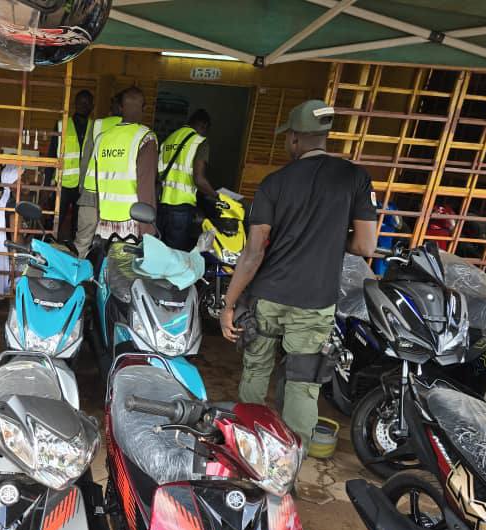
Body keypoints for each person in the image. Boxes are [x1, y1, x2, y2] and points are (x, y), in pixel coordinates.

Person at [220, 99, 377, 449]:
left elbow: (253, 251)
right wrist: (333, 239)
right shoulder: (355, 178)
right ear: (324, 135)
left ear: (293, 138)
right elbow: (366, 245)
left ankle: (249, 447)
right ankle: (289, 462)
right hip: (314, 301)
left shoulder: (274, 183)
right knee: (303, 383)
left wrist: (229, 304)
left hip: (268, 298)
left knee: (256, 370)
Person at [83, 87, 158, 247]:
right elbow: (146, 188)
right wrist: (148, 233)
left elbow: (96, 185)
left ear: (120, 108)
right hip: (131, 228)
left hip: (103, 225)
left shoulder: (102, 138)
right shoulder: (146, 137)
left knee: (105, 270)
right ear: (144, 108)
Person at [157, 108, 215, 250]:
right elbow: (199, 179)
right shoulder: (199, 141)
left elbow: (158, 173)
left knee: (160, 250)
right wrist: (217, 196)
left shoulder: (169, 140)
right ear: (203, 126)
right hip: (181, 206)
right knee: (175, 255)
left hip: (162, 205)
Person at [73, 93, 123, 257]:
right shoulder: (136, 130)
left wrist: (81, 188)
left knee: (82, 243)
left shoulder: (97, 125)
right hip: (118, 201)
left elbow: (85, 159)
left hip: (90, 194)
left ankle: (76, 280)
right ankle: (104, 281)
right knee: (113, 248)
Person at [52, 89, 94, 239]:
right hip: (63, 183)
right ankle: (50, 247)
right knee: (56, 220)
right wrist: (47, 183)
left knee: (78, 224)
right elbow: (51, 154)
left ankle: (73, 252)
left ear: (92, 106)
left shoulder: (95, 128)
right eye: (81, 102)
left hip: (84, 185)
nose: (84, 105)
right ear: (75, 104)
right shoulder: (62, 125)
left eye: (87, 103)